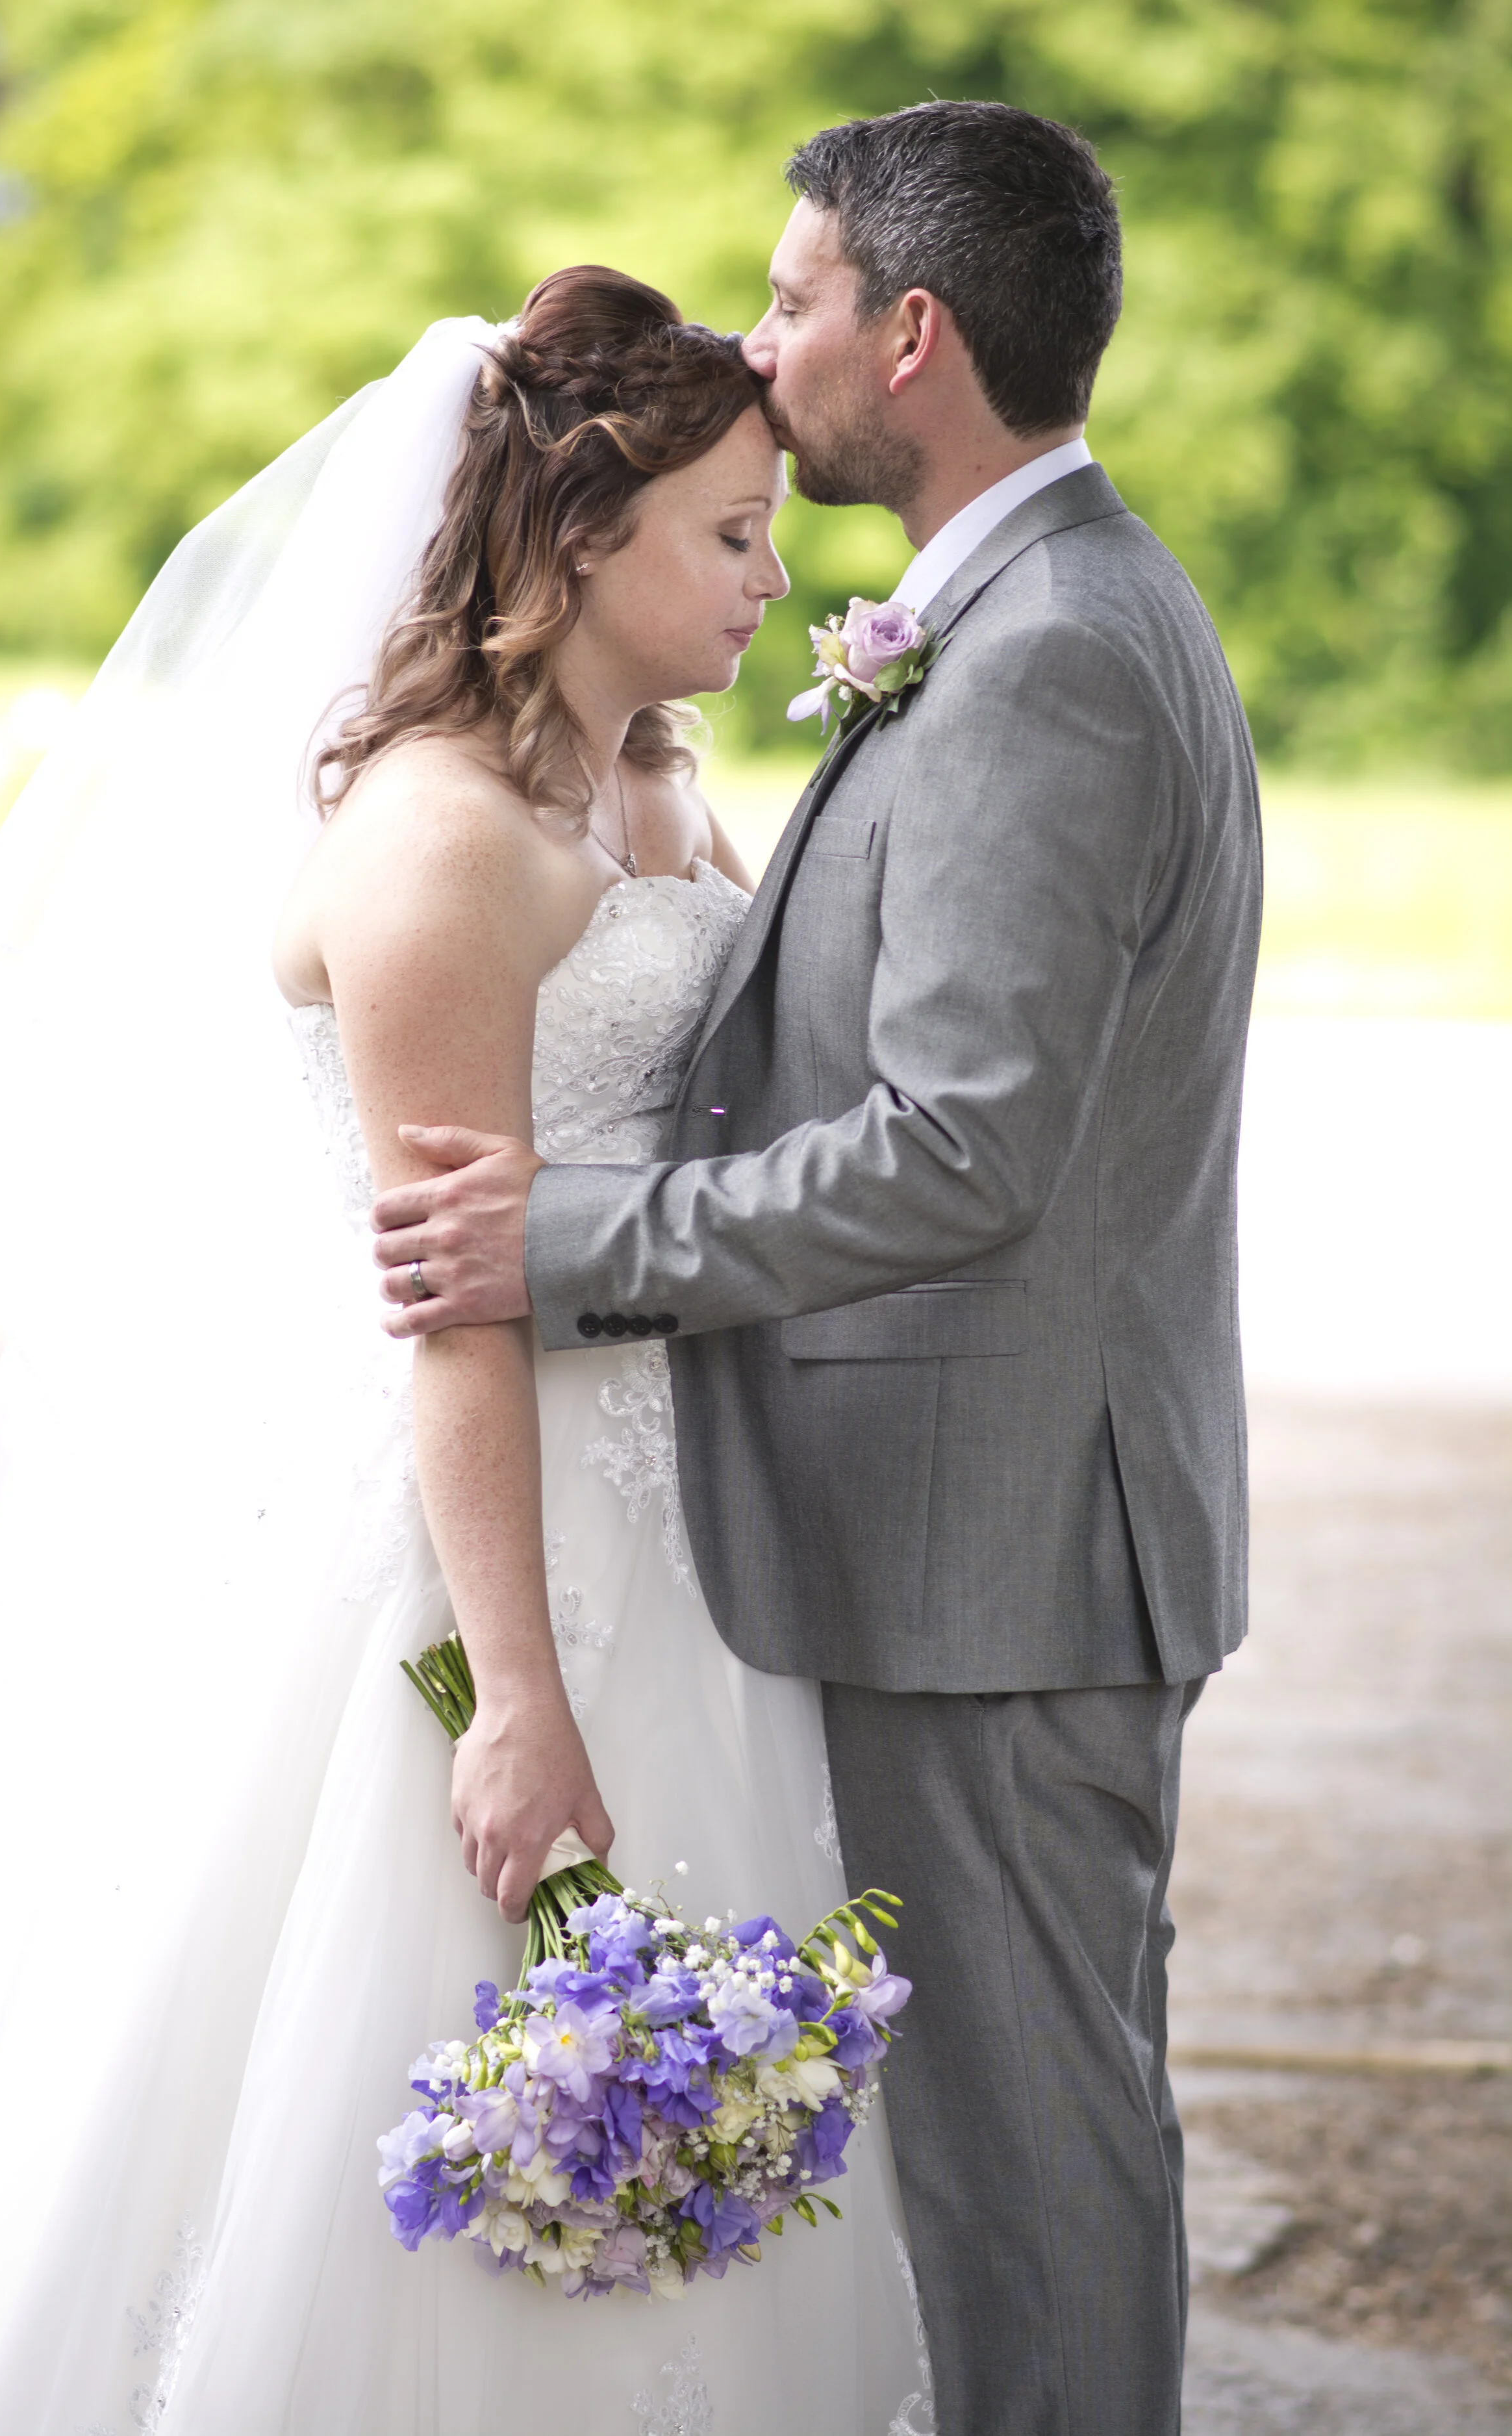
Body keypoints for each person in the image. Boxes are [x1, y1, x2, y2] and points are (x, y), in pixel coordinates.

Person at [0, 273, 929, 2432]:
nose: (773, 577)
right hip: (466, 1536)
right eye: (729, 534)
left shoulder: (649, 788)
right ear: (580, 538)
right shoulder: (442, 839)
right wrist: (517, 1698)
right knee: (417, 2004)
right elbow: (454, 1293)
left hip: (667, 1504)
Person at [368, 104, 1263, 2436]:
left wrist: (562, 1240)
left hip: (1003, 1555)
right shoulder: (1033, 614)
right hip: (970, 1537)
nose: (759, 349)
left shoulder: (1043, 651)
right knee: (1010, 2158)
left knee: (1027, 2178)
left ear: (914, 332)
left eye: (792, 301)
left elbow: (962, 1149)